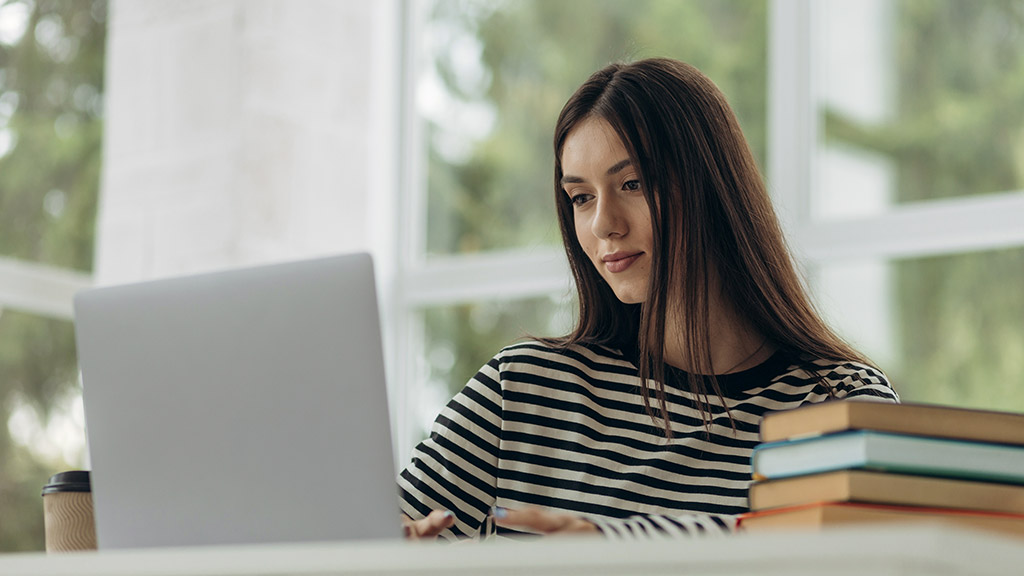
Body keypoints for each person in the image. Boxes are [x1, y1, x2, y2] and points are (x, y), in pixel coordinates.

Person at [398, 58, 897, 540]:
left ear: (710, 186)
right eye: (582, 197)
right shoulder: (524, 390)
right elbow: (366, 542)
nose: (603, 225)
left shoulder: (838, 405)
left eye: (633, 184)